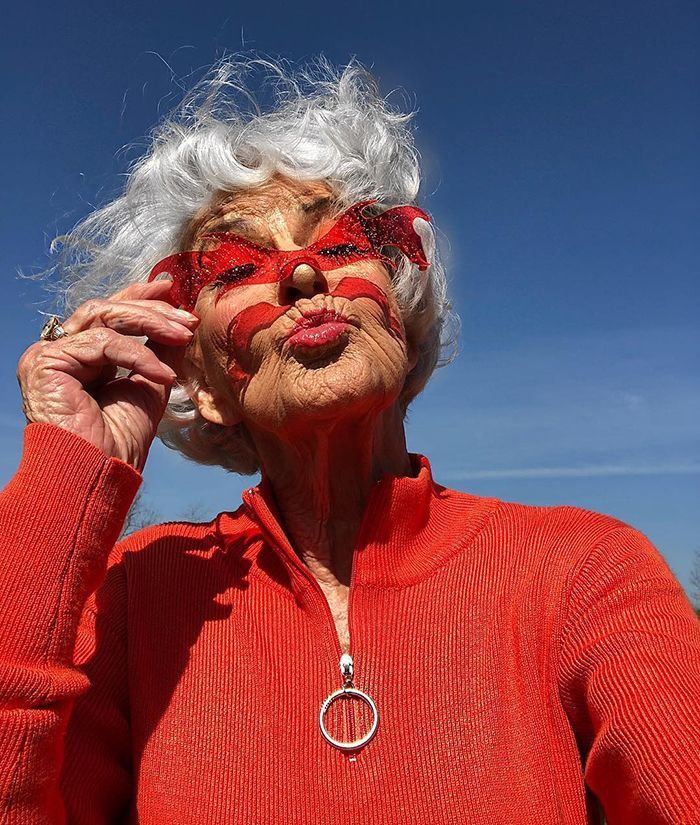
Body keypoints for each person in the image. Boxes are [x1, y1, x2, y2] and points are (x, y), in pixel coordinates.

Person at [1, 58, 698, 825]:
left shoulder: (583, 567)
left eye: (338, 244)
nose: (302, 274)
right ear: (203, 383)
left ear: (405, 319)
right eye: (237, 263)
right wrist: (66, 473)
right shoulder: (137, 591)